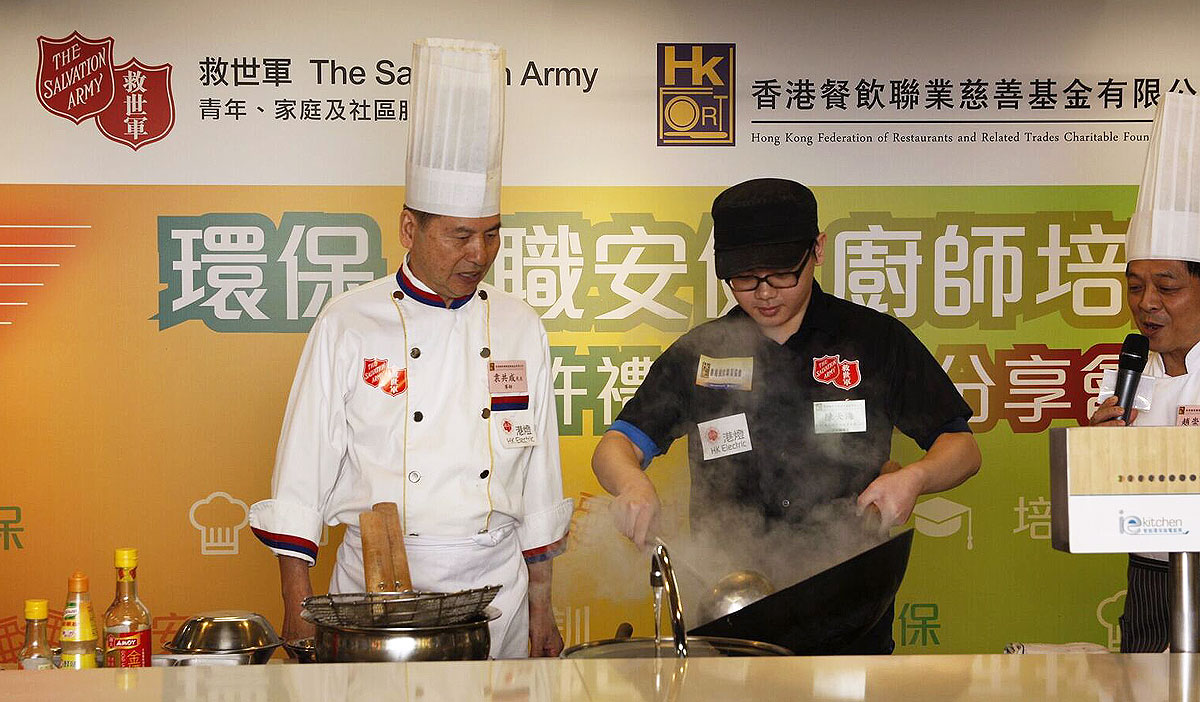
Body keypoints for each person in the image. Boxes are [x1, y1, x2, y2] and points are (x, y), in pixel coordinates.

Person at [248, 38, 572, 659]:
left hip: (494, 589)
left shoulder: (518, 326)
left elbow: (539, 478)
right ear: (408, 228)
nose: (478, 255)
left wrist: (542, 606)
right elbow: (301, 475)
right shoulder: (349, 323)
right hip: (377, 588)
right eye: (458, 236)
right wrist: (296, 608)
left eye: (490, 236)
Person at [591, 177, 981, 654]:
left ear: (817, 250)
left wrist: (915, 478)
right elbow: (618, 445)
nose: (764, 293)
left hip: (848, 607)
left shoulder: (874, 341)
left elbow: (961, 446)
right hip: (726, 608)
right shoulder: (701, 354)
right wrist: (632, 484)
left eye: (781, 275)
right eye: (745, 279)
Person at [1087, 92, 1200, 653]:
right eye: (1135, 286)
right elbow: (1111, 510)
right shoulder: (1125, 372)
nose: (1147, 302)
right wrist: (1103, 457)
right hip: (1151, 576)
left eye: (1168, 286)